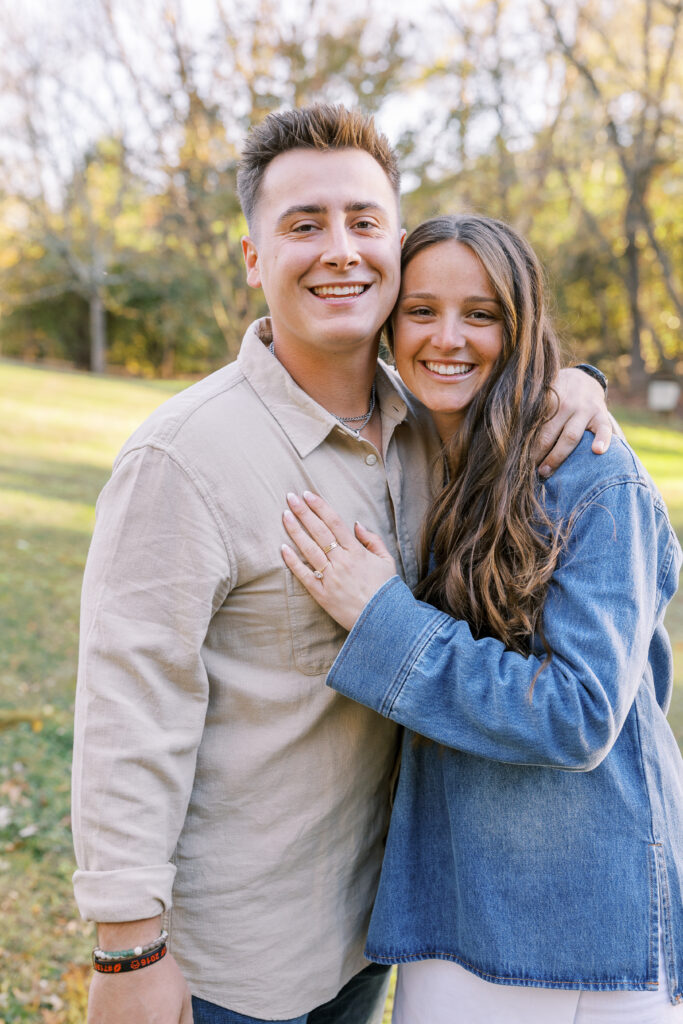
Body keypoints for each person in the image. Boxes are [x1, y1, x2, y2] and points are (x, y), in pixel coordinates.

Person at [72, 108, 612, 1024]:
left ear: (397, 248)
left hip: (371, 941)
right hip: (231, 970)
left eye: (363, 223)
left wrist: (574, 377)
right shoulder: (183, 458)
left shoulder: (436, 429)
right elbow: (130, 710)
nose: (340, 250)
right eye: (304, 225)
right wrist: (129, 952)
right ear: (253, 258)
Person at [281, 213, 683, 1023]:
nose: (447, 339)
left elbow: (580, 713)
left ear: (520, 323)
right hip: (454, 902)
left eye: (482, 314)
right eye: (421, 311)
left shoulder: (587, 472)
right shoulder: (417, 449)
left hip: (580, 922)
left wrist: (382, 620)